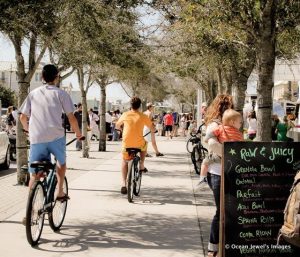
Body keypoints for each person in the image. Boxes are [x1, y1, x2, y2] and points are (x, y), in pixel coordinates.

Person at [19, 64, 82, 201]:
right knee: (61, 163)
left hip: (37, 138)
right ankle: (59, 192)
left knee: (34, 174)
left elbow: (23, 117)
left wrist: (28, 130)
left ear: (42, 77)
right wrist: (78, 134)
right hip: (56, 137)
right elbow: (71, 118)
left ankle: (30, 209)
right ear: (57, 78)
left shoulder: (33, 93)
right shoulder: (62, 94)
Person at [203, 94, 234, 257]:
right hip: (216, 172)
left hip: (228, 171)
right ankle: (212, 248)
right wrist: (229, 154)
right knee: (220, 210)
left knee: (227, 209)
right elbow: (212, 143)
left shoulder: (230, 124)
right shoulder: (215, 124)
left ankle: (225, 244)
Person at [116, 97, 155, 194]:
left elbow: (117, 125)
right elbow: (152, 128)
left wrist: (121, 130)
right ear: (140, 106)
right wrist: (153, 130)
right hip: (138, 143)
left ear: (130, 105)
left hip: (127, 143)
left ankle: (123, 184)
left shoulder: (125, 114)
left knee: (125, 161)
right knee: (145, 143)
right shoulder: (143, 116)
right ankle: (141, 164)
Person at [197, 109, 243, 189]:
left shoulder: (221, 128)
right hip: (232, 157)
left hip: (218, 155)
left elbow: (211, 134)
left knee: (205, 162)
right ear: (233, 122)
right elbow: (242, 145)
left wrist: (206, 139)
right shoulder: (239, 133)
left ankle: (202, 178)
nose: (241, 124)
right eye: (240, 122)